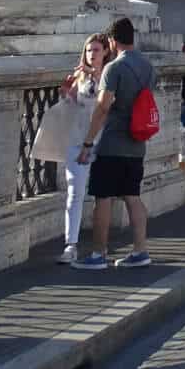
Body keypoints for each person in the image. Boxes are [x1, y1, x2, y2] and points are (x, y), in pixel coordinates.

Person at [71, 16, 154, 270]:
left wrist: (87, 143)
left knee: (103, 198)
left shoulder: (114, 68)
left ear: (112, 40)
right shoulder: (148, 65)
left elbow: (102, 108)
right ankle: (140, 251)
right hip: (137, 141)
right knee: (133, 196)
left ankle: (98, 254)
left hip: (113, 141)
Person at [31, 32, 106, 263]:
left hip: (102, 140)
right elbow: (71, 103)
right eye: (88, 50)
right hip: (77, 139)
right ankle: (70, 244)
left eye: (96, 50)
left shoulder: (109, 75)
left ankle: (100, 244)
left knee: (103, 195)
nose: (91, 54)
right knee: (74, 191)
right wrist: (66, 91)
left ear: (105, 52)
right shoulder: (80, 76)